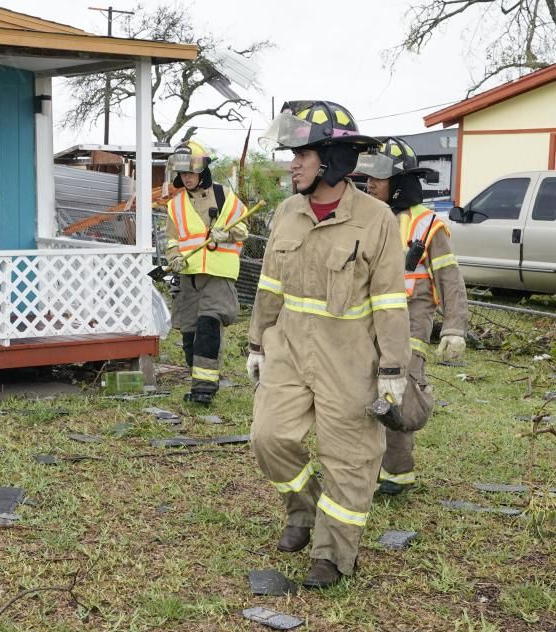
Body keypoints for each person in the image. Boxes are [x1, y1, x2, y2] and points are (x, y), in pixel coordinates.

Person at [248, 101, 410, 588]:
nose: (293, 163)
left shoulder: (376, 219)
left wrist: (393, 370)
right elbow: (269, 286)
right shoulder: (287, 212)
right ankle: (302, 511)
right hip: (289, 350)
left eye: (303, 153)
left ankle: (334, 554)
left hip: (350, 357)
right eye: (292, 153)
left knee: (351, 458)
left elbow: (388, 300)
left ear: (334, 160)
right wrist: (258, 343)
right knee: (268, 437)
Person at [356, 136, 469, 495]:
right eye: (368, 178)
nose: (369, 184)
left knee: (398, 393)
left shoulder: (427, 225)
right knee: (364, 390)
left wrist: (454, 328)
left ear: (400, 182)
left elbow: (450, 278)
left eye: (378, 178)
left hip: (410, 323)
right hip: (368, 321)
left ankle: (397, 473)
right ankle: (370, 465)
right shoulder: (369, 218)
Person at [164, 140, 249, 404]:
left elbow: (243, 229)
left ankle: (204, 390)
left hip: (218, 274)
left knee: (208, 327)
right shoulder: (175, 206)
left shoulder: (224, 196)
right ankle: (198, 377)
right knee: (190, 334)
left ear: (202, 171)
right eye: (182, 173)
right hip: (189, 276)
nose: (186, 178)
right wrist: (174, 258)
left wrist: (228, 234)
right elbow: (171, 240)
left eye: (190, 172)